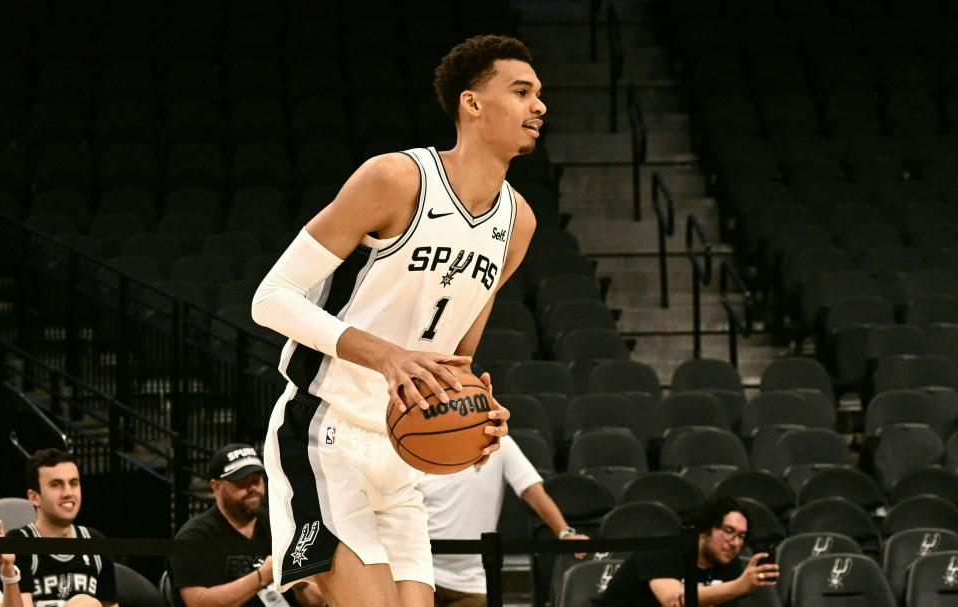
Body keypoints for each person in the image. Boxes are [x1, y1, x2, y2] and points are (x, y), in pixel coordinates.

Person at [251, 34, 543, 607]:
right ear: (472, 103)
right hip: (325, 432)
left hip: (401, 452)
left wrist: (475, 409)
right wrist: (386, 355)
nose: (539, 106)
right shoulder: (396, 179)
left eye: (539, 95)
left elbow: (456, 359)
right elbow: (271, 298)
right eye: (522, 91)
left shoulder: (519, 222)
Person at [418, 435, 588, 607]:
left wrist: (565, 532)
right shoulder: (415, 441)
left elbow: (531, 490)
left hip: (472, 581)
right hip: (419, 572)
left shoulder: (497, 442)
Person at [168, 444, 325, 607]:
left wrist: (299, 583)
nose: (252, 488)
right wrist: (263, 575)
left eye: (256, 480)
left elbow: (317, 601)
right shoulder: (195, 537)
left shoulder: (283, 524)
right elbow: (197, 602)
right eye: (241, 482)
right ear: (216, 486)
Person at [594, 496, 780, 607]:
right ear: (704, 530)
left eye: (741, 536)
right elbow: (673, 601)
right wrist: (739, 586)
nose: (735, 543)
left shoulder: (730, 566)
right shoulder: (662, 549)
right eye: (728, 531)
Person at [0, 448, 117, 607]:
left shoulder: (95, 541)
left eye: (73, 483)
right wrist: (8, 570)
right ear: (34, 497)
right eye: (56, 485)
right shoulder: (20, 542)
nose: (68, 493)